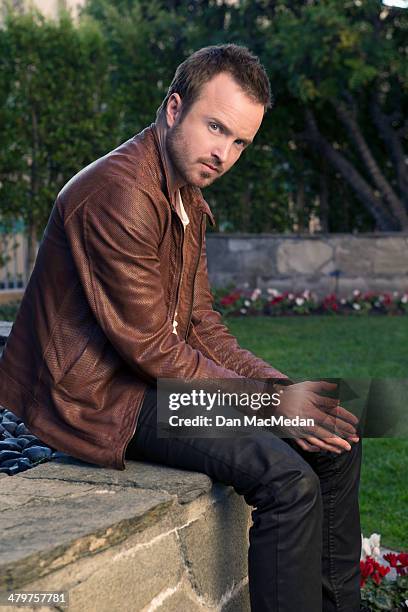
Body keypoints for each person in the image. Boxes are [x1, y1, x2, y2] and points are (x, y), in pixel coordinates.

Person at [0, 44, 363, 611]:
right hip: (102, 397)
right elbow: (156, 353)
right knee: (287, 481)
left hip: (151, 384)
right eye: (215, 127)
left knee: (337, 441)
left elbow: (202, 327)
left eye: (239, 141)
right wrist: (273, 407)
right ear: (173, 109)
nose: (224, 153)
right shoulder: (118, 194)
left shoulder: (184, 192)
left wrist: (286, 391)